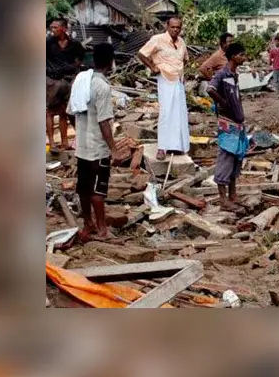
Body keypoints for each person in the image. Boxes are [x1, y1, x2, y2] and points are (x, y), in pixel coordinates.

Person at [69, 43, 128, 240]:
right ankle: (102, 229)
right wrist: (114, 150)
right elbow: (104, 122)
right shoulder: (102, 87)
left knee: (84, 189)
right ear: (111, 62)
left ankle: (88, 224)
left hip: (82, 147)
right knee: (97, 190)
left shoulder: (80, 81)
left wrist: (81, 129)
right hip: (97, 149)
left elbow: (70, 112)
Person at [137, 17, 190, 161]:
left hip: (178, 80)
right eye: (173, 27)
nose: (175, 30)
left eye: (178, 27)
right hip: (165, 79)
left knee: (179, 113)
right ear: (167, 26)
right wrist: (153, 67)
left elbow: (185, 59)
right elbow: (142, 54)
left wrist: (182, 73)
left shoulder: (181, 42)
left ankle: (177, 146)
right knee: (166, 113)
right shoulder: (157, 39)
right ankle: (162, 147)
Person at [207, 43, 248, 209]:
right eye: (241, 54)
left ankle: (233, 195)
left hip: (237, 123)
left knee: (235, 160)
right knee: (225, 159)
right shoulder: (222, 74)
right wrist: (224, 103)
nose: (244, 57)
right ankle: (223, 200)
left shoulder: (233, 75)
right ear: (233, 57)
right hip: (227, 123)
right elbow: (210, 89)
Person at [46, 17, 85, 152]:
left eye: (55, 28)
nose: (52, 30)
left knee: (64, 111)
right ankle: (52, 142)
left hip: (67, 81)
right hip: (51, 81)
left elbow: (80, 58)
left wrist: (73, 68)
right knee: (50, 112)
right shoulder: (47, 43)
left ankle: (64, 141)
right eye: (51, 28)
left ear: (64, 29)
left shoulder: (74, 44)